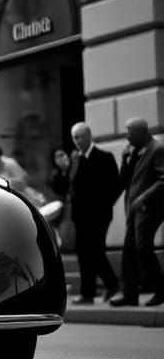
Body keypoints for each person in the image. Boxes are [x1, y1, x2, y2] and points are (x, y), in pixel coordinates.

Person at [110, 118, 164, 307]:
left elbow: (162, 180)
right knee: (129, 252)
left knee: (142, 248)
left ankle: (160, 289)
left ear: (142, 132)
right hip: (134, 209)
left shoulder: (157, 149)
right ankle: (129, 295)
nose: (126, 135)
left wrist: (144, 197)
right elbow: (124, 181)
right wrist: (126, 160)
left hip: (150, 208)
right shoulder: (134, 152)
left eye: (129, 132)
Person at [67, 123, 120, 305]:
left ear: (89, 136)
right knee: (83, 254)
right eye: (75, 138)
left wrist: (103, 207)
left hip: (99, 216)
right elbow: (71, 186)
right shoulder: (74, 158)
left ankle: (112, 284)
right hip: (80, 216)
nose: (78, 141)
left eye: (80, 137)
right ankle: (88, 293)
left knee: (95, 252)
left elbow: (115, 186)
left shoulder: (104, 157)